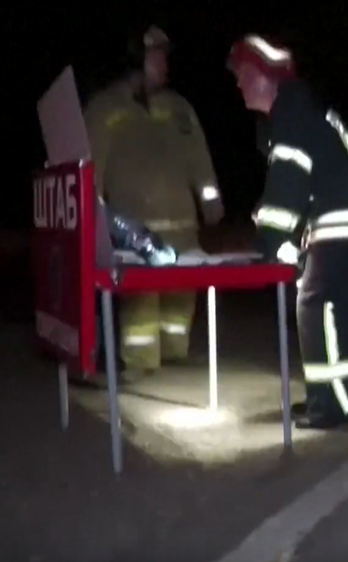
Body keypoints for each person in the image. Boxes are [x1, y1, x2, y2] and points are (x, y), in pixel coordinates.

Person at [228, 34, 348, 429]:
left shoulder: (291, 110)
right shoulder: (294, 107)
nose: (238, 83)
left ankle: (330, 405)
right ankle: (334, 398)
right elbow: (295, 180)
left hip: (346, 214)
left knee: (315, 302)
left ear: (267, 76)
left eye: (244, 74)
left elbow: (289, 178)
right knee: (328, 304)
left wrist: (270, 236)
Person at [85, 25, 224, 381]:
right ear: (134, 60)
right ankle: (140, 362)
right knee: (141, 299)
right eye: (156, 57)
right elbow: (91, 167)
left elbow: (199, 159)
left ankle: (175, 354)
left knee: (182, 295)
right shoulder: (104, 109)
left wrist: (211, 201)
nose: (165, 64)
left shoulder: (179, 108)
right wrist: (94, 217)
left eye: (166, 56)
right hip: (137, 235)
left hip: (184, 230)